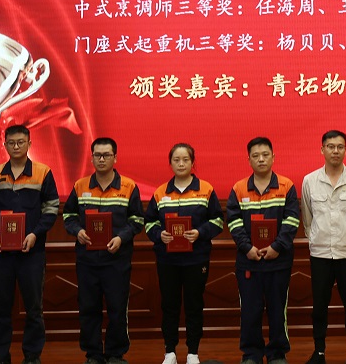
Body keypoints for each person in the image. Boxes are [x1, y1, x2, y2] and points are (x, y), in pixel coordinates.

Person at [0, 124, 60, 364]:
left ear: (29, 144)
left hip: (31, 252)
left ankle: (32, 356)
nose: (16, 146)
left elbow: (51, 208)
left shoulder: (43, 172)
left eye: (21, 142)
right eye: (11, 143)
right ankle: (1, 356)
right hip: (1, 253)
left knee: (33, 308)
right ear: (4, 145)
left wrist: (35, 234)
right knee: (0, 308)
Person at [62, 137, 145, 364]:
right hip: (87, 260)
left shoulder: (128, 186)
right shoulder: (80, 186)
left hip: (117, 259)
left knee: (117, 308)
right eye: (97, 155)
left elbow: (137, 220)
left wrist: (121, 238)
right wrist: (78, 231)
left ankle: (116, 353)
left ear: (115, 158)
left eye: (106, 155)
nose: (101, 159)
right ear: (91, 158)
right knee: (89, 308)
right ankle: (93, 354)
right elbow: (68, 216)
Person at [145, 143, 225, 364]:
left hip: (196, 259)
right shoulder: (160, 192)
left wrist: (200, 232)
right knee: (169, 305)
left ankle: (193, 353)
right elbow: (149, 222)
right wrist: (159, 234)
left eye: (185, 160)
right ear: (170, 163)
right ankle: (170, 352)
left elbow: (218, 220)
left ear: (192, 162)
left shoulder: (205, 189)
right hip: (167, 259)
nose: (181, 164)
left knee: (194, 305)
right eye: (176, 160)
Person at [226, 137, 300, 364]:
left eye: (265, 155)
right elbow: (234, 222)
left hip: (278, 260)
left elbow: (292, 220)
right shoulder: (239, 188)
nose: (261, 159)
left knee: (278, 310)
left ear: (273, 157)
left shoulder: (286, 186)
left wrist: (277, 247)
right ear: (248, 159)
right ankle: (251, 354)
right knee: (250, 310)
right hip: (249, 261)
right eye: (256, 155)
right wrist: (247, 248)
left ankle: (277, 353)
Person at [301, 130, 346, 364]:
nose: (335, 151)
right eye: (330, 146)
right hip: (320, 253)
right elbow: (307, 219)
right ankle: (319, 351)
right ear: (322, 149)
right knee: (319, 307)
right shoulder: (309, 181)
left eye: (340, 147)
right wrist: (316, 237)